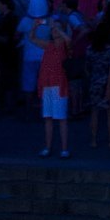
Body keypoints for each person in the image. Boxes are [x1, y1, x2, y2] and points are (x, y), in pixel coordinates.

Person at [38, 18, 73, 157]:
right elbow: (32, 38)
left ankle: (64, 149)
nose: (54, 31)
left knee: (62, 118)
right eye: (52, 29)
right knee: (48, 117)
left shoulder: (64, 45)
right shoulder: (48, 45)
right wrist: (35, 26)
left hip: (60, 85)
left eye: (57, 29)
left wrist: (57, 28)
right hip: (47, 84)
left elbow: (69, 40)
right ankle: (47, 147)